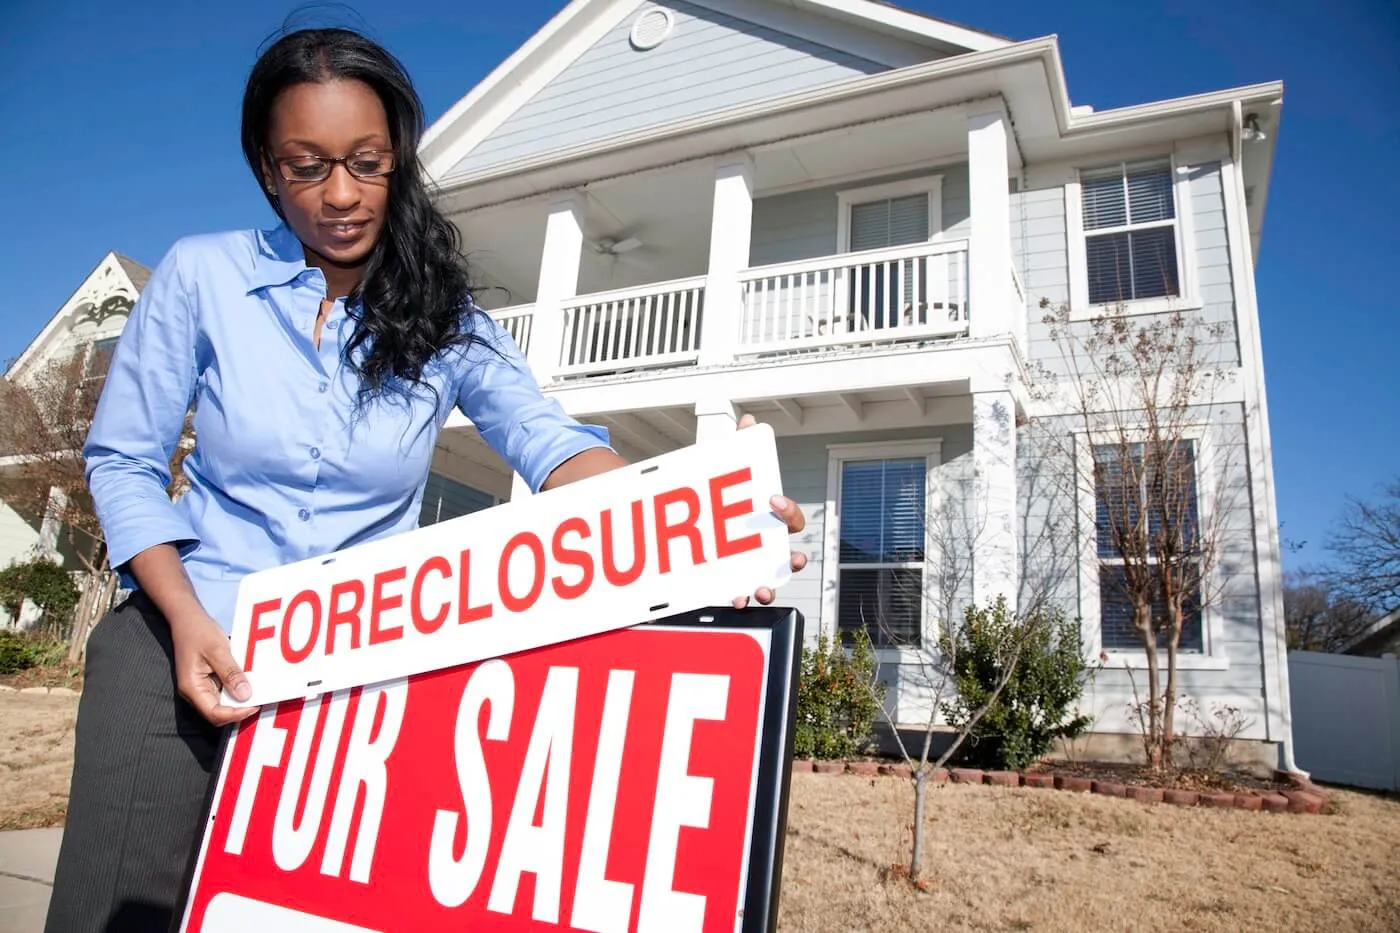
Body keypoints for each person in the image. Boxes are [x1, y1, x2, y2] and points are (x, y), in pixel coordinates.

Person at [44, 24, 807, 933]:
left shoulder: (447, 320)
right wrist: (183, 618)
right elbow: (124, 458)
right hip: (184, 632)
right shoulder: (201, 275)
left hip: (352, 675)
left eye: (366, 162)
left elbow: (548, 440)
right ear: (265, 167)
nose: (339, 195)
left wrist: (697, 516)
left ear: (399, 158)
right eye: (307, 165)